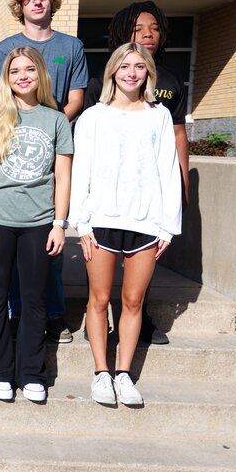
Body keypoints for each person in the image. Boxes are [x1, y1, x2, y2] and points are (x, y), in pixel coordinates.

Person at [70, 43, 181, 406]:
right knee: (100, 298)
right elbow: (79, 172)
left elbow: (168, 170)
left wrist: (168, 226)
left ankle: (124, 374)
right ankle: (101, 372)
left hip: (146, 222)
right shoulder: (93, 117)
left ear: (147, 72)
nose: (131, 73)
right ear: (113, 71)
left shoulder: (159, 115)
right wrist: (80, 223)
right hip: (100, 220)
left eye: (139, 66)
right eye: (124, 66)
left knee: (133, 300)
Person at [82, 1, 189, 345]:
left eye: (155, 28)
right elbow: (90, 146)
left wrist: (181, 186)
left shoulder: (170, 83)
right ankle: (97, 324)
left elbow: (176, 137)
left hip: (145, 207)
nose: (148, 34)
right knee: (100, 288)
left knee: (136, 287)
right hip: (105, 207)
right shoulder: (99, 87)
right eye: (139, 28)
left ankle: (137, 325)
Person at [0, 47, 73, 403]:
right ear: (7, 78)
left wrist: (59, 224)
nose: (22, 76)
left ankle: (32, 372)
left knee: (34, 299)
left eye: (30, 69)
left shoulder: (56, 120)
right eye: (15, 71)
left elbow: (62, 174)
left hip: (39, 223)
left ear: (40, 74)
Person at [0, 0, 89, 344]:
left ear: (52, 1)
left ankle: (53, 312)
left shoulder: (71, 46)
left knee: (49, 234)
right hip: (15, 151)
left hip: (54, 147)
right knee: (13, 236)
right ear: (20, 4)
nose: (38, 2)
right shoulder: (5, 48)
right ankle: (16, 312)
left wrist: (48, 128)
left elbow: (76, 99)